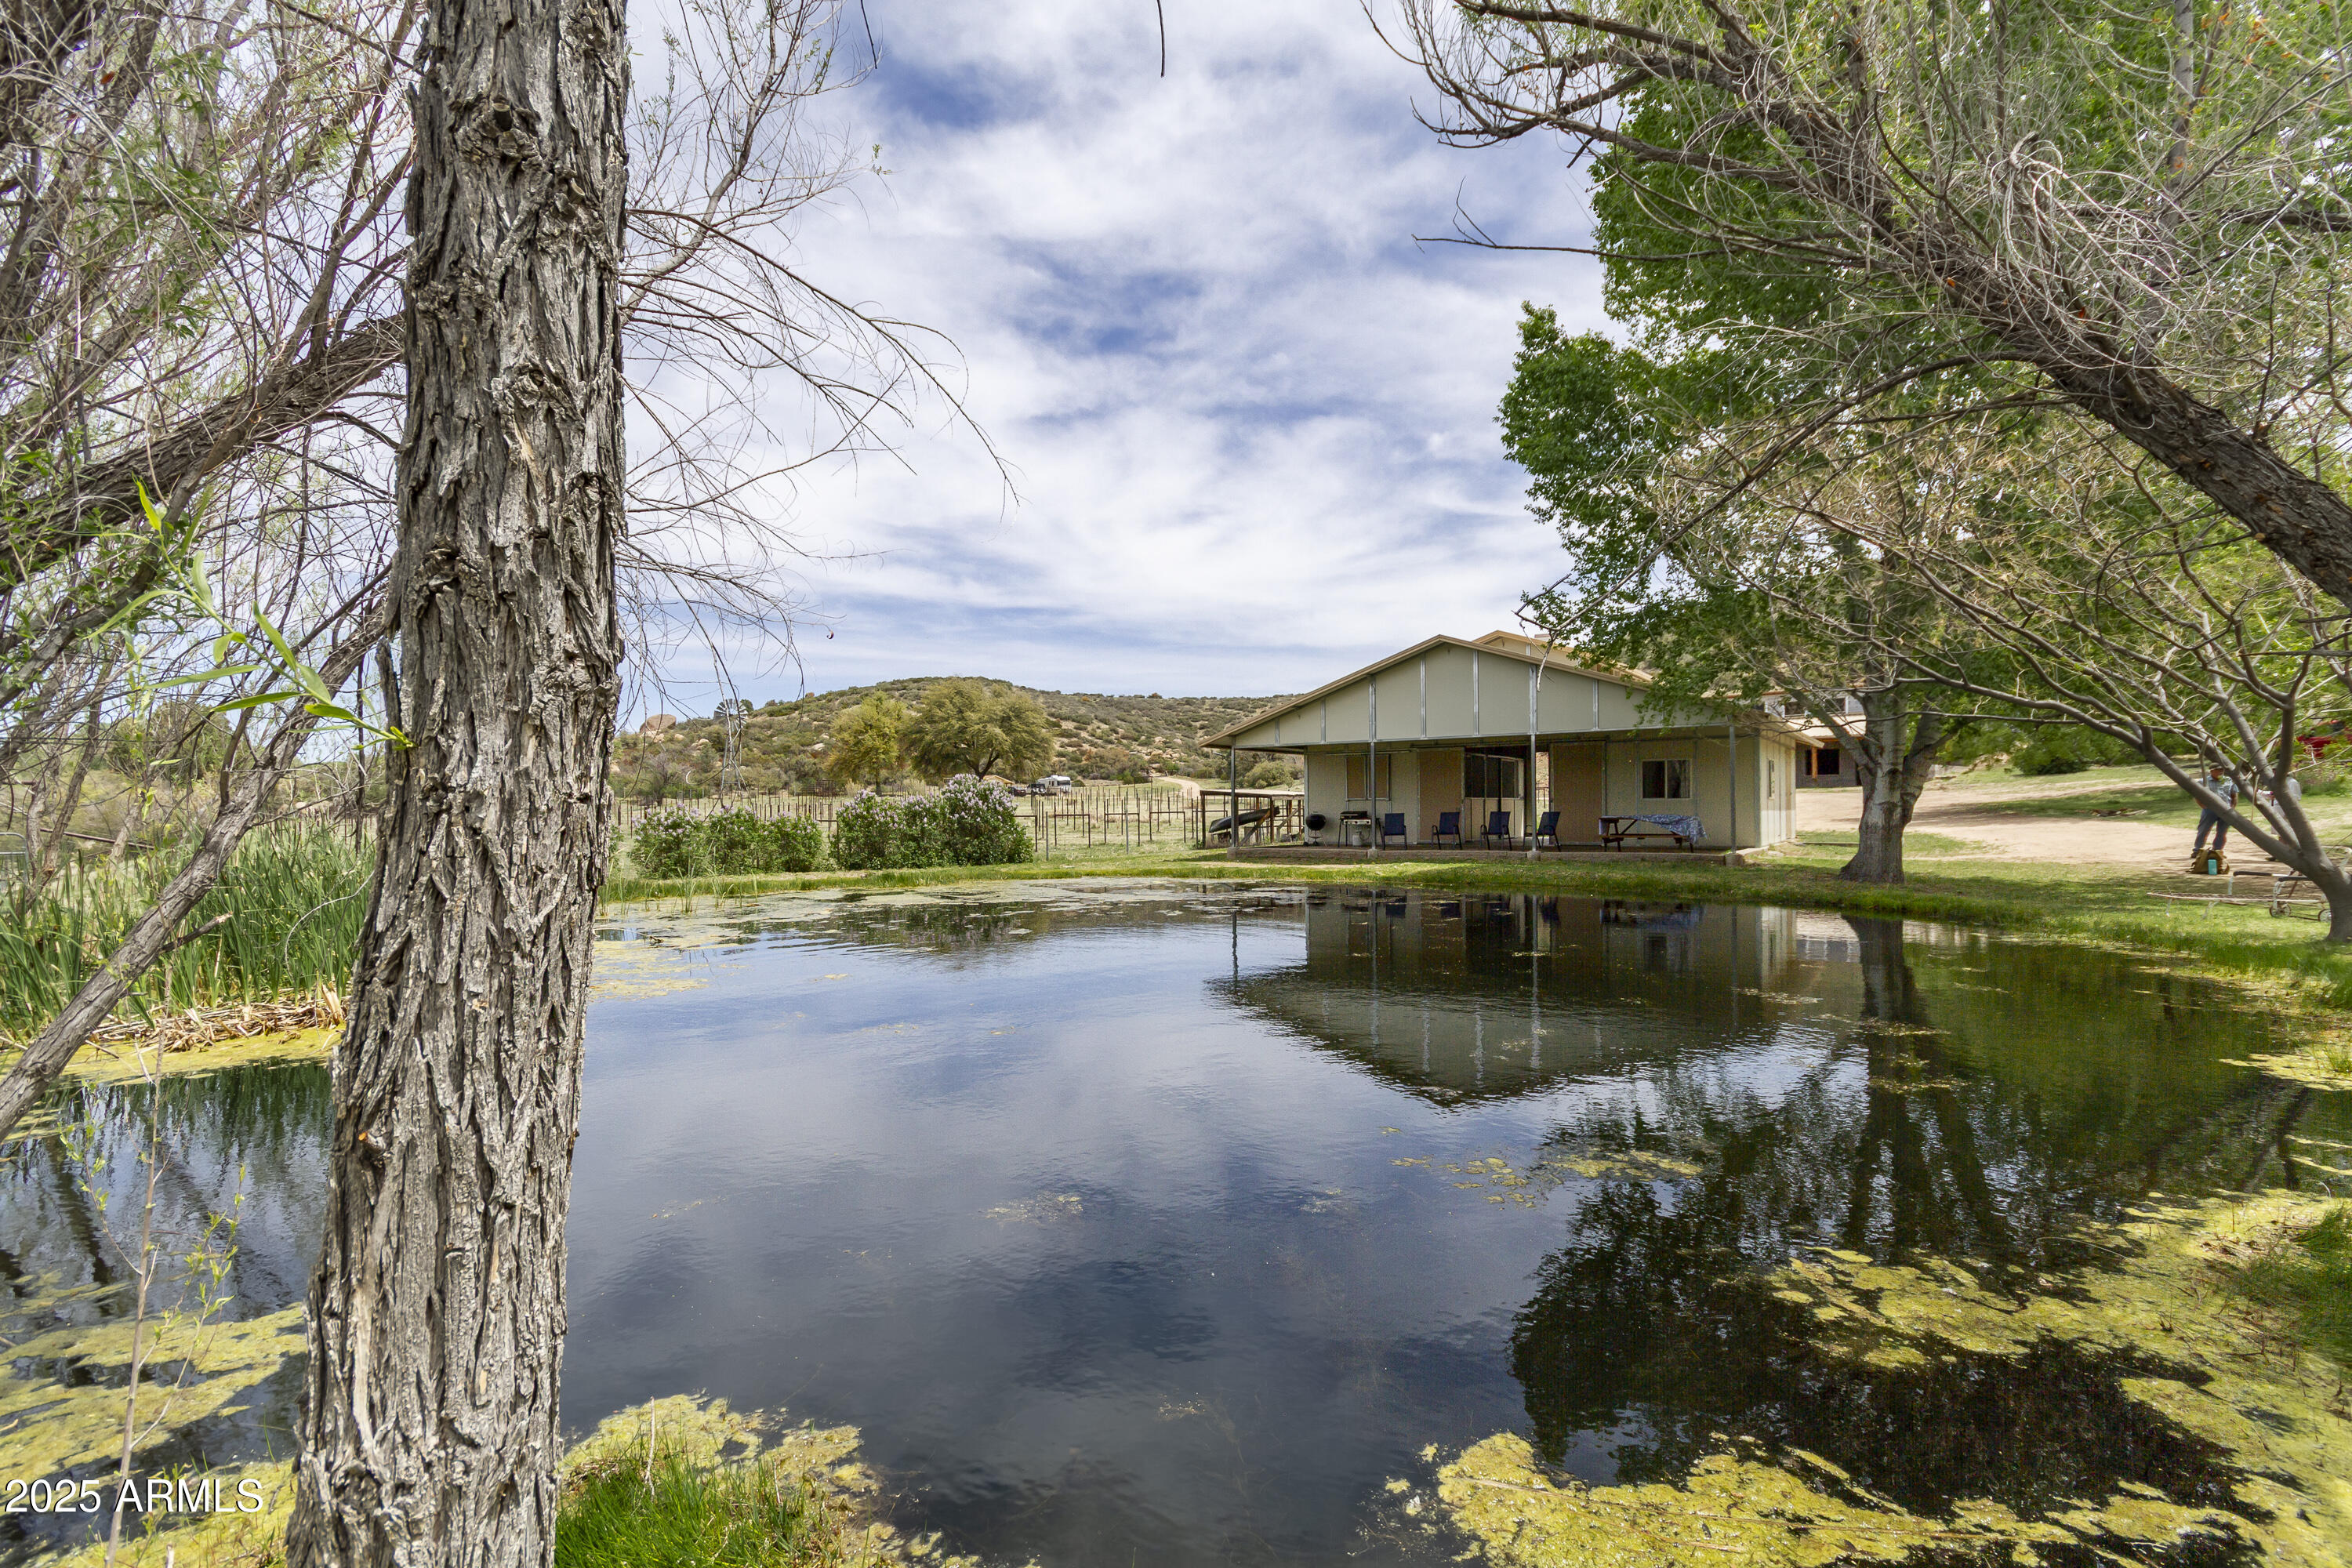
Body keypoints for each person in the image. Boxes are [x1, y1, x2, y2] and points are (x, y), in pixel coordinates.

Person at [2192, 765, 2237, 862]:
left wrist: (2232, 808)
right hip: (2210, 810)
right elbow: (2197, 795)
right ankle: (2197, 850)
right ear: (2212, 771)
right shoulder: (2203, 781)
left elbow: (2234, 795)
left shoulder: (2229, 780)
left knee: (2222, 832)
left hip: (2226, 810)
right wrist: (2203, 806)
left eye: (2222, 770)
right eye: (2218, 770)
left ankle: (2217, 851)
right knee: (2204, 830)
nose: (2221, 772)